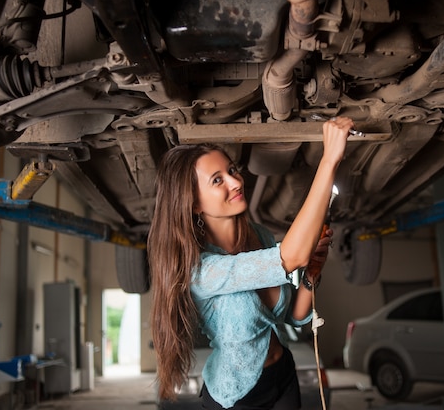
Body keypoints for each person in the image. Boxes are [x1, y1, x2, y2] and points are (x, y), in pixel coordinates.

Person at [148, 117, 354, 409]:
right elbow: (290, 256)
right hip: (238, 397)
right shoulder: (200, 271)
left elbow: (293, 316)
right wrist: (329, 160)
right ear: (194, 203)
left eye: (231, 170)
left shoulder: (259, 235)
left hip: (283, 376)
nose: (235, 181)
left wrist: (310, 277)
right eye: (217, 180)